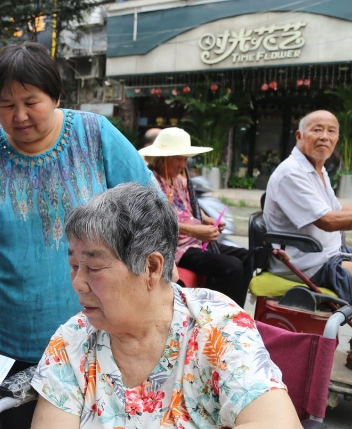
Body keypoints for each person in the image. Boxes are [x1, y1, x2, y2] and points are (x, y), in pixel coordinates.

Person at [0, 42, 155, 428]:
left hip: (95, 329)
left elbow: (149, 207)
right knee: (18, 421)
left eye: (31, 101)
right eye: (6, 105)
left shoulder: (96, 136)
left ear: (56, 96)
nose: (20, 115)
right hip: (5, 334)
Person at [30, 183, 301, 429]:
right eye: (74, 266)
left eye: (94, 267)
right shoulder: (72, 341)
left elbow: (277, 423)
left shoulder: (217, 326)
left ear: (151, 267)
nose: (78, 283)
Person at [263, 110, 352, 369]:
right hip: (310, 260)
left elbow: (336, 211)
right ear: (300, 136)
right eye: (317, 129)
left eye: (331, 131)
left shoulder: (317, 170)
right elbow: (327, 221)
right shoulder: (292, 173)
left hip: (329, 254)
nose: (324, 136)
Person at [139, 127, 252, 307]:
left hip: (194, 242)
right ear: (163, 158)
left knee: (246, 256)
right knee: (231, 266)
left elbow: (189, 209)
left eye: (185, 160)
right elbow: (158, 221)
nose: (183, 165)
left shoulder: (178, 181)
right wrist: (195, 231)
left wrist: (206, 220)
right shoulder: (150, 182)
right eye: (179, 159)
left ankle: (236, 312)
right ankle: (213, 313)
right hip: (175, 247)